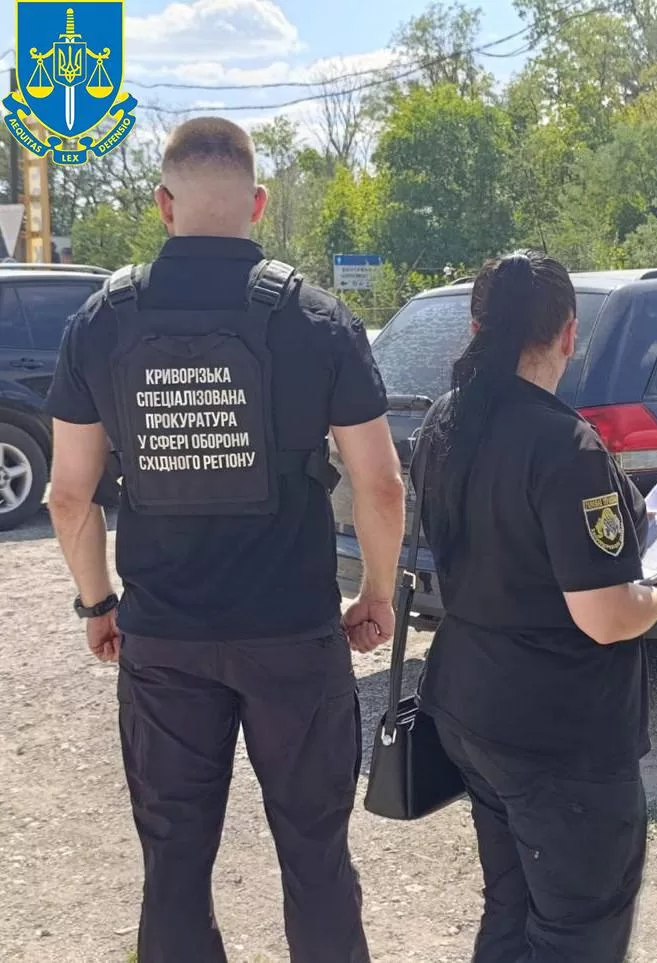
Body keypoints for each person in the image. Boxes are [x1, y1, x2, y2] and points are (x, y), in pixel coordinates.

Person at [45, 117, 406, 963]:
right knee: (316, 859)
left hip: (164, 640)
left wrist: (98, 602)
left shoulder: (101, 321)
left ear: (164, 204)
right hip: (293, 636)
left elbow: (67, 495)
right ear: (259, 203)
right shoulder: (317, 319)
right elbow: (381, 483)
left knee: (173, 866)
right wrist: (377, 593)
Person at [412, 250, 657, 963]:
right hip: (558, 730)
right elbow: (605, 615)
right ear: (569, 333)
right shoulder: (565, 444)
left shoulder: (445, 421)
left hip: (470, 704)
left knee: (510, 909)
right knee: (578, 931)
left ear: (476, 326)